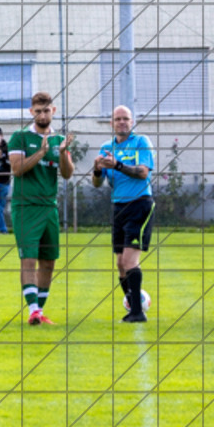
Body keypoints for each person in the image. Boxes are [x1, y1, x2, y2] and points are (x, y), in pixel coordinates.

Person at [8, 93, 75, 326]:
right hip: (26, 207)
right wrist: (41, 153)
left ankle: (39, 311)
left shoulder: (58, 140)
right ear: (31, 112)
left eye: (46, 111)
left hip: (49, 206)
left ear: (53, 111)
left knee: (49, 261)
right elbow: (17, 169)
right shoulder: (20, 137)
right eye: (38, 111)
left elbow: (67, 174)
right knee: (29, 259)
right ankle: (33, 310)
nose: (42, 115)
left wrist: (63, 152)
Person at [92, 105, 155, 323]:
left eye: (125, 119)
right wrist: (98, 169)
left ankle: (137, 313)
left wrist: (117, 165)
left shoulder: (141, 142)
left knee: (129, 260)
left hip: (140, 205)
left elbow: (143, 173)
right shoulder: (106, 148)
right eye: (117, 118)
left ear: (132, 122)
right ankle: (132, 304)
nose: (121, 122)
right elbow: (98, 183)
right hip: (118, 207)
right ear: (111, 123)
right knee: (120, 263)